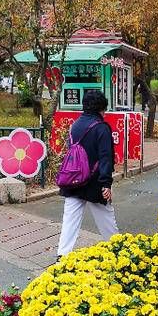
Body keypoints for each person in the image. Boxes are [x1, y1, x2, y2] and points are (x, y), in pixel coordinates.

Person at [57, 90, 119, 259]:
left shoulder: (75, 125)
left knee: (70, 220)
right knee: (106, 220)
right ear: (101, 108)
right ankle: (117, 251)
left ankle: (62, 255)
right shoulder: (101, 128)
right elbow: (105, 157)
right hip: (94, 183)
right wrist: (106, 183)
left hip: (73, 180)